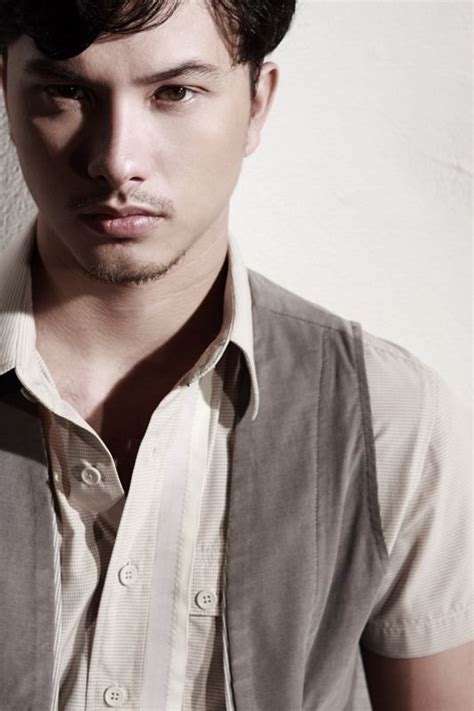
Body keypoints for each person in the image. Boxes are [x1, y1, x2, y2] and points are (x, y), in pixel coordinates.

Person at [0, 0, 472, 709]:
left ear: (256, 103)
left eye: (175, 92)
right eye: (68, 90)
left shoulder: (391, 417)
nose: (117, 161)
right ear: (6, 93)